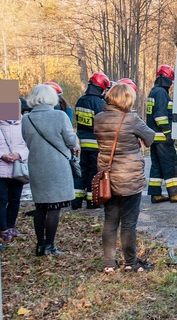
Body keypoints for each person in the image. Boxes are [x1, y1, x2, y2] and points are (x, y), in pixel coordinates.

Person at [95, 81, 155, 273]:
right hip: (129, 177)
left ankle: (109, 264)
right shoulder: (132, 119)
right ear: (128, 99)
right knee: (129, 222)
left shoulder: (99, 119)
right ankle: (130, 262)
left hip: (108, 177)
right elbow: (151, 137)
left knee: (110, 221)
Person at [21, 84, 78, 256]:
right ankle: (50, 245)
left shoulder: (26, 119)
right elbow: (71, 140)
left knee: (40, 206)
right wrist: (74, 144)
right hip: (57, 165)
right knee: (54, 206)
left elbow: (25, 140)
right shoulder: (59, 116)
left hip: (36, 165)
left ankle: (40, 245)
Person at [146, 64, 177, 203]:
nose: (171, 85)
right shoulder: (161, 93)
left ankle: (155, 194)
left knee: (157, 165)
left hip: (154, 137)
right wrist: (169, 133)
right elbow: (160, 116)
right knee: (170, 163)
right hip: (163, 136)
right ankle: (174, 194)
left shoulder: (153, 92)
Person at [73, 71, 110, 209]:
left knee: (83, 171)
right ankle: (92, 201)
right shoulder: (99, 103)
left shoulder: (80, 100)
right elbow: (104, 124)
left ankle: (76, 201)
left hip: (83, 143)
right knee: (94, 173)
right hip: (96, 143)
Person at [0, 117, 29, 244]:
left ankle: (11, 226)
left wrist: (19, 155)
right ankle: (3, 229)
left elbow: (28, 144)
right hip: (1, 169)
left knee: (15, 200)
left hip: (18, 169)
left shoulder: (23, 125)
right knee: (1, 200)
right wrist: (2, 155)